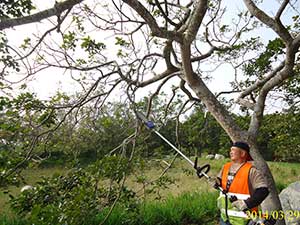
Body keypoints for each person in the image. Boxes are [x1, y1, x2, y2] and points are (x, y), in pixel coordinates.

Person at [209, 141, 276, 225]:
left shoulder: (252, 171)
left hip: (245, 219)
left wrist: (247, 203)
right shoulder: (225, 167)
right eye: (230, 150)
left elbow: (263, 191)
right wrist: (215, 182)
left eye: (233, 150)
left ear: (243, 153)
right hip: (225, 218)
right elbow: (220, 184)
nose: (230, 152)